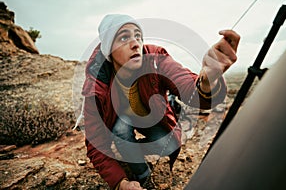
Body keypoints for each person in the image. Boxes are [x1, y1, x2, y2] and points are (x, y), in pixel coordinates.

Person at [81, 14, 240, 190]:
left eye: (138, 36)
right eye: (124, 37)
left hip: (149, 116)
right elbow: (95, 144)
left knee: (169, 145)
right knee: (121, 129)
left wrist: (207, 79)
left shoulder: (156, 57)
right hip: (121, 122)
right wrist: (120, 183)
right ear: (108, 49)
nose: (135, 44)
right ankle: (143, 175)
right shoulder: (96, 87)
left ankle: (129, 150)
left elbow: (189, 88)